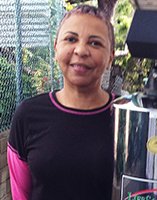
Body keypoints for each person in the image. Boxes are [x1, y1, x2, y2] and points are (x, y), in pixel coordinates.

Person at [7, 4, 115, 200]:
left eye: (95, 43)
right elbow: (20, 194)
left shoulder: (128, 118)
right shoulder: (28, 116)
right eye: (71, 39)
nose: (81, 50)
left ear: (110, 58)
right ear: (56, 48)